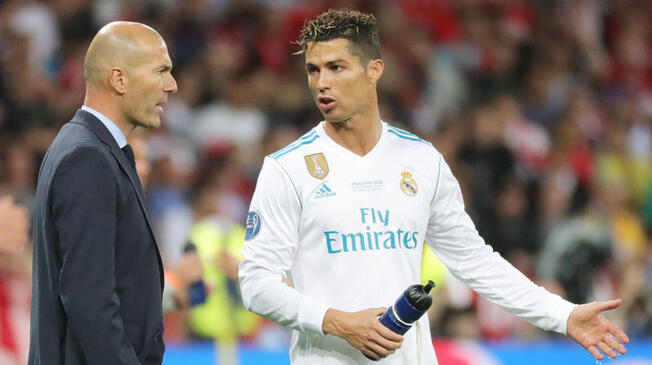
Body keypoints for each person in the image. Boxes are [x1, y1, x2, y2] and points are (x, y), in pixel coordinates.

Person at [239, 9, 629, 364]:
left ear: (374, 70)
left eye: (337, 67)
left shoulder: (421, 160)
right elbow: (256, 284)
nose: (322, 83)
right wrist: (336, 322)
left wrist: (562, 314)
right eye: (313, 70)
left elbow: (475, 261)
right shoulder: (287, 168)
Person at [28, 21, 177, 365]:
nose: (172, 85)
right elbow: (88, 297)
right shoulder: (88, 157)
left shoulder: (90, 147)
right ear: (119, 79)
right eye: (161, 71)